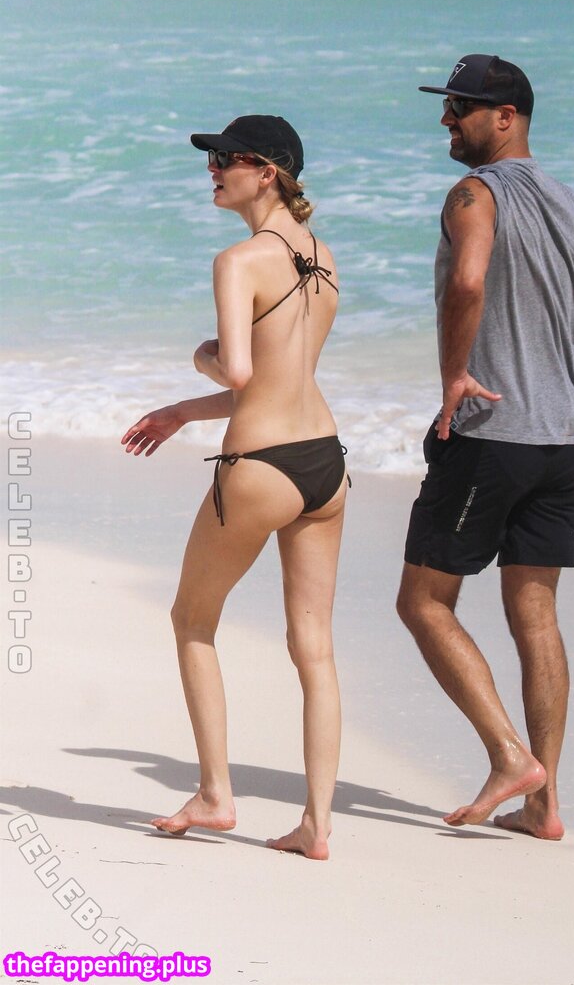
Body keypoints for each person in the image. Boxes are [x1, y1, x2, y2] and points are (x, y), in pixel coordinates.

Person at [121, 114, 347, 860]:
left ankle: (216, 795)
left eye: (225, 158)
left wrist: (202, 359)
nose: (213, 169)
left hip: (258, 466)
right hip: (324, 462)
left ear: (268, 171)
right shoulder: (323, 256)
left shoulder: (239, 260)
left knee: (192, 620)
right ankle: (316, 825)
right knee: (314, 648)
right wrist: (184, 412)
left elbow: (243, 374)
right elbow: (284, 377)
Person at [396, 55, 574, 840]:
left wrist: (454, 376)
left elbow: (469, 282)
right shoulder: (568, 199)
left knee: (423, 602)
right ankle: (544, 805)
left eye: (461, 107)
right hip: (564, 438)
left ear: (506, 117)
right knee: (536, 614)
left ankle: (511, 757)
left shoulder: (475, 192)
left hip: (492, 432)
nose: (447, 120)